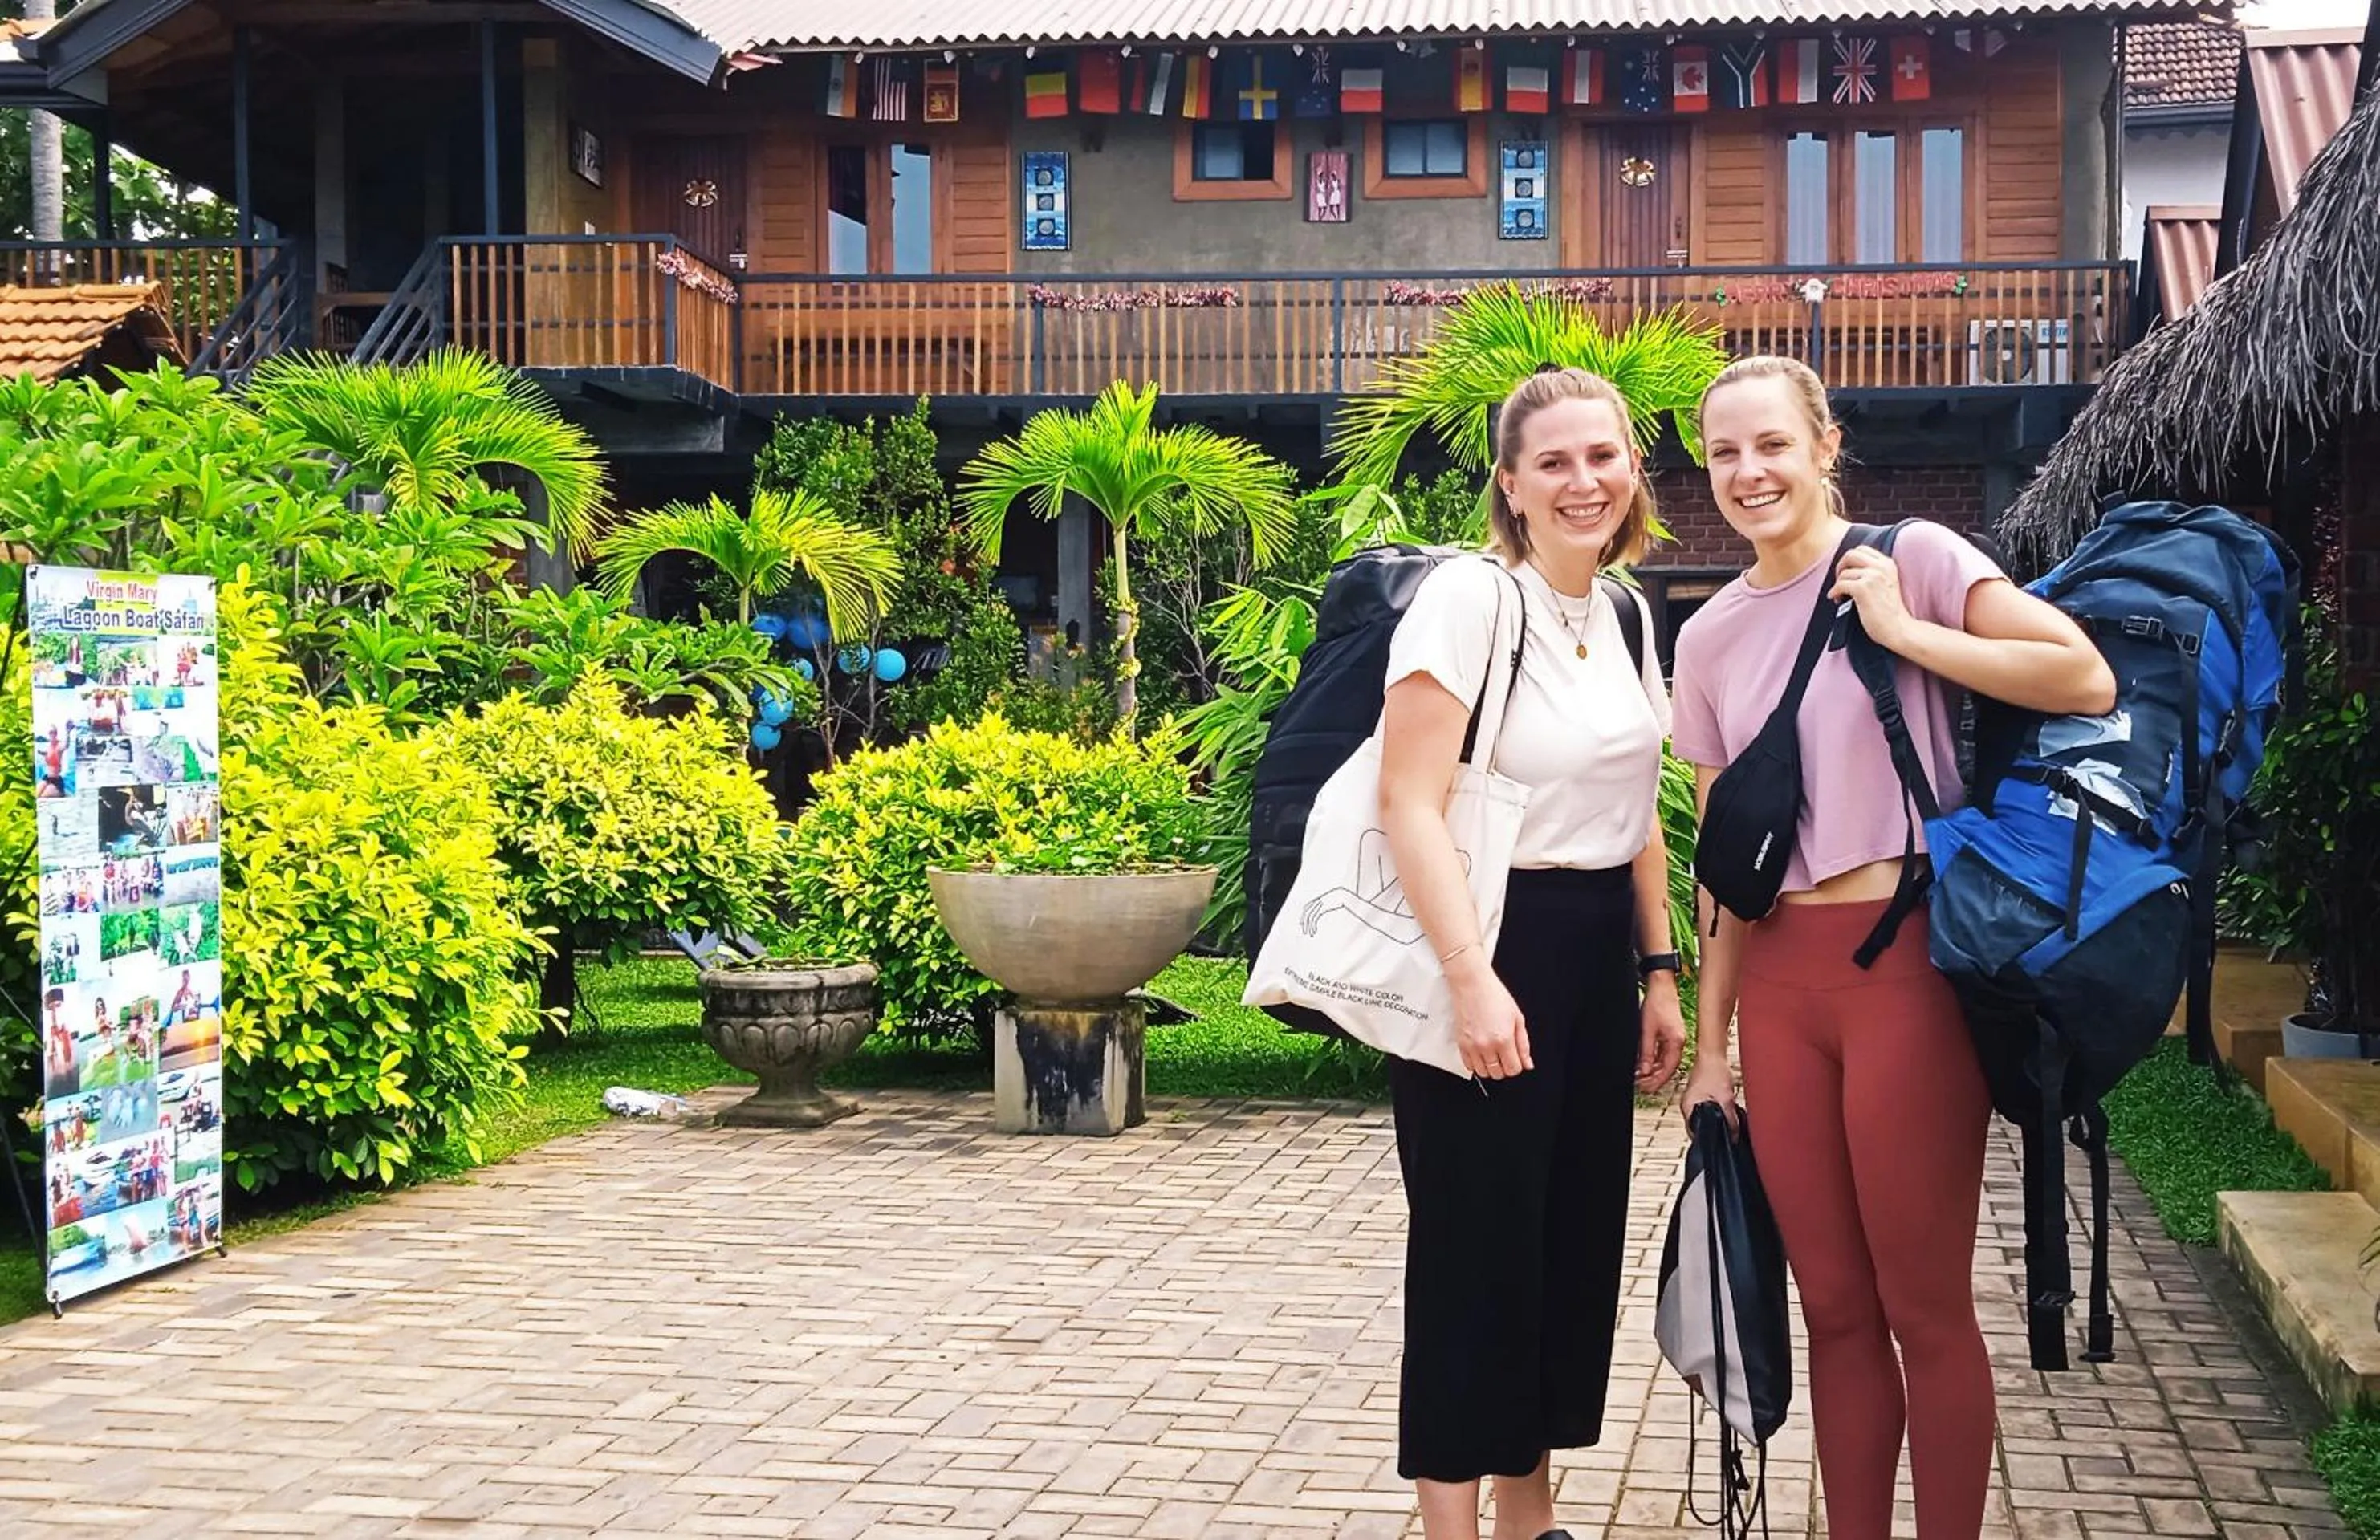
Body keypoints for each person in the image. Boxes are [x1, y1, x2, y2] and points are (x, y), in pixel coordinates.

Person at [1669, 356, 2117, 1540]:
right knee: (1834, 1307)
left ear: (1824, 444)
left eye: (1772, 443)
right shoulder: (1708, 638)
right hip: (1780, 985)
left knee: (1925, 1304)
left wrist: (1905, 630)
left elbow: (2081, 672)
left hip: (1906, 968)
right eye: (1724, 453)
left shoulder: (1911, 555)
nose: (1749, 472)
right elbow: (1723, 874)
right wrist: (1712, 1054)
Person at [1374, 366, 1686, 1540]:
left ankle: (1529, 1517)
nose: (1582, 481)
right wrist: (1469, 976)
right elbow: (1410, 800)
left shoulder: (1626, 614)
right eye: (1552, 461)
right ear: (1509, 482)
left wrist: (1657, 972)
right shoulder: (1467, 600)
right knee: (1471, 1255)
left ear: (1632, 471)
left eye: (1601, 456)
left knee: (1563, 1247)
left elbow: (1641, 803)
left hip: (1597, 949)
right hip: (1490, 939)